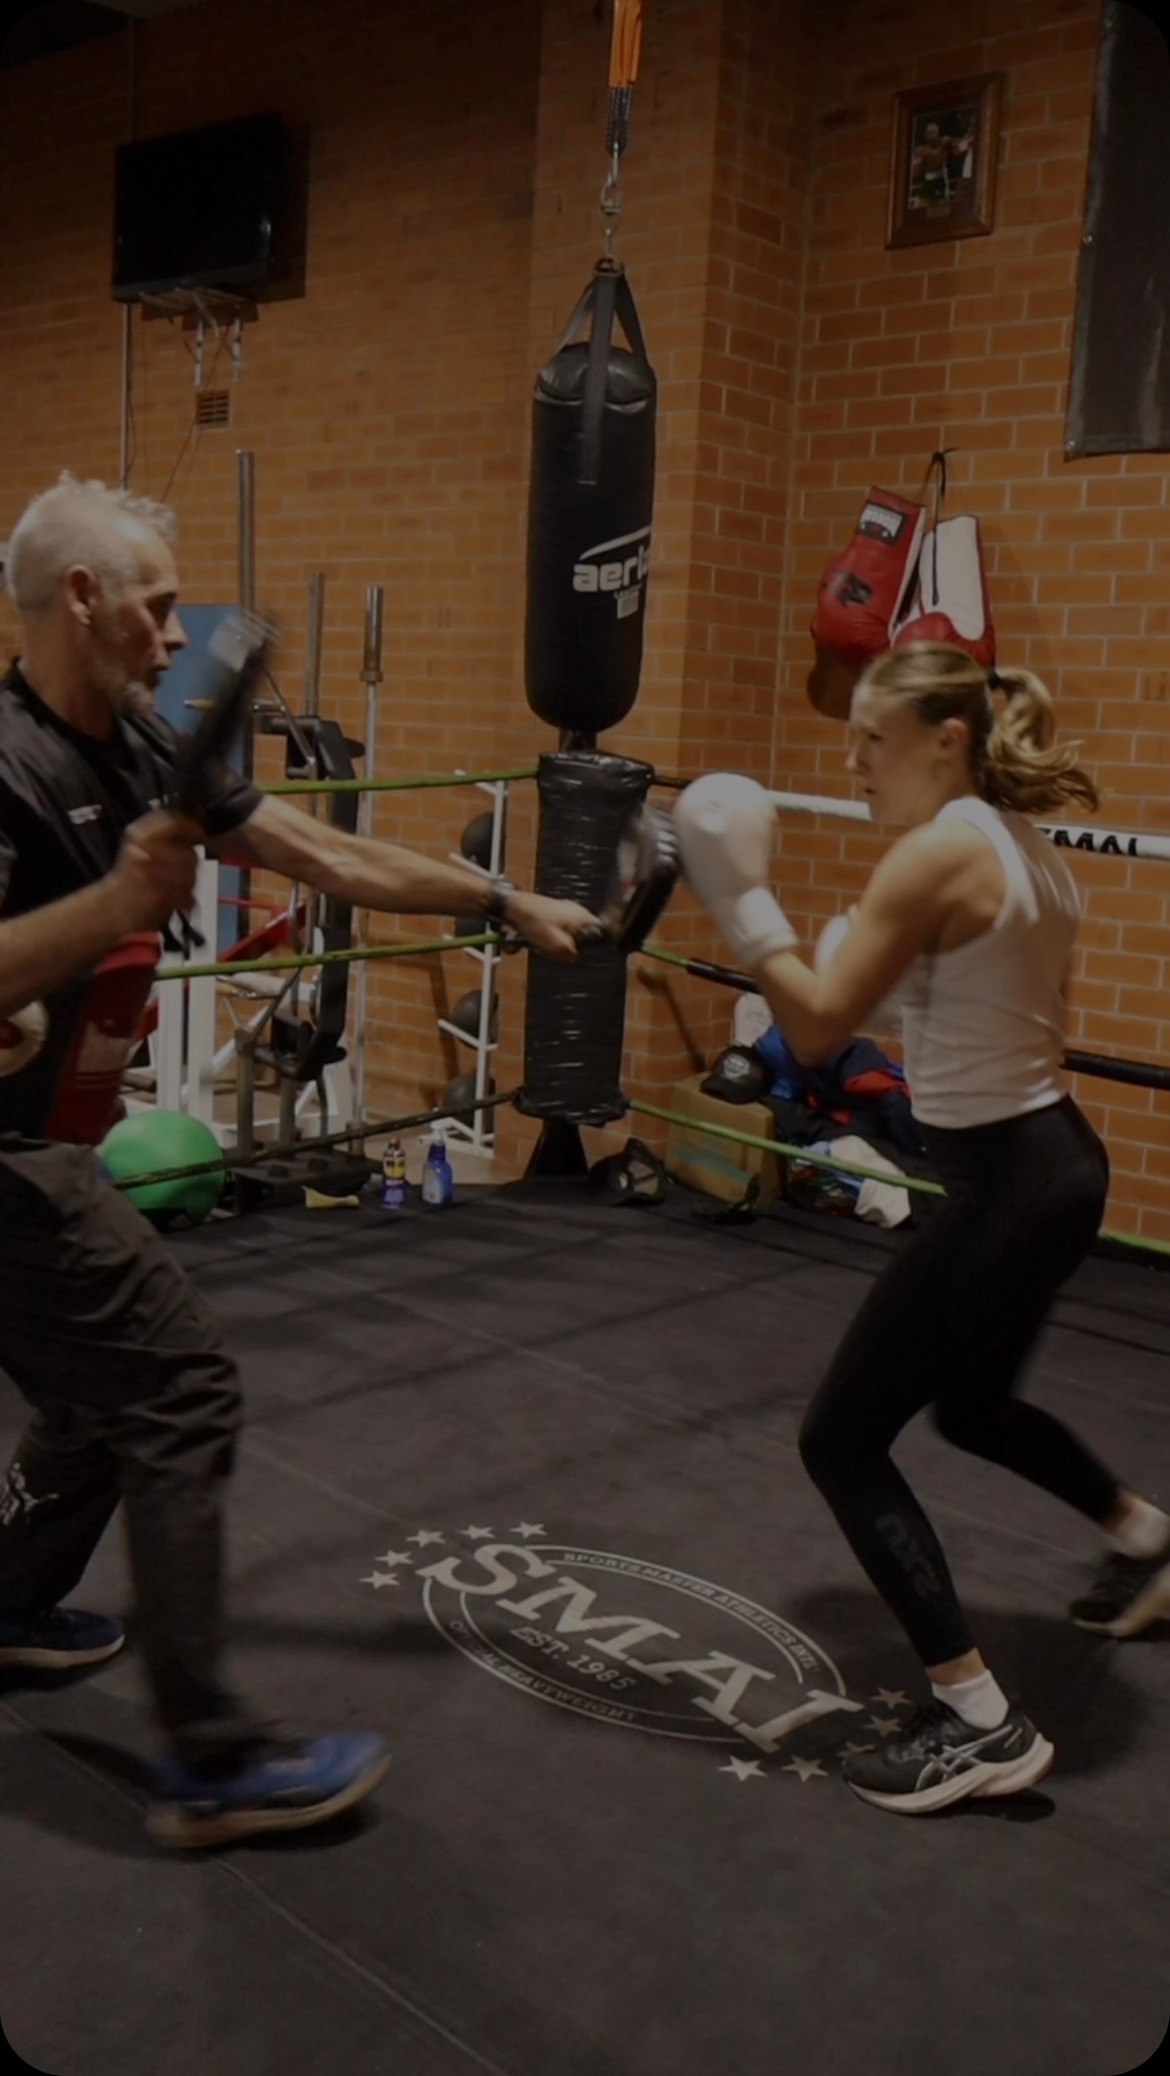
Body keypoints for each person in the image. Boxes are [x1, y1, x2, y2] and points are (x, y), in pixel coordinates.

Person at [0, 473, 596, 1849]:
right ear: (80, 597)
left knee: (100, 1392)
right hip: (3, 1156)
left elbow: (314, 848)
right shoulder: (6, 764)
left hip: (41, 1139)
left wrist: (500, 897)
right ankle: (209, 1762)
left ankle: (10, 1603)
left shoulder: (143, 735)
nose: (176, 634)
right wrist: (116, 900)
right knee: (179, 1387)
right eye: (157, 608)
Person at [673, 641, 1170, 1815]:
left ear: (946, 740)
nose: (852, 762)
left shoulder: (941, 851)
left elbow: (813, 1034)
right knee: (972, 1407)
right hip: (1058, 1165)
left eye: (871, 739)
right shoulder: (1022, 846)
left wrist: (740, 899)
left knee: (842, 1440)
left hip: (1007, 1184)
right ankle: (1148, 1536)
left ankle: (980, 1724)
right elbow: (981, 1008)